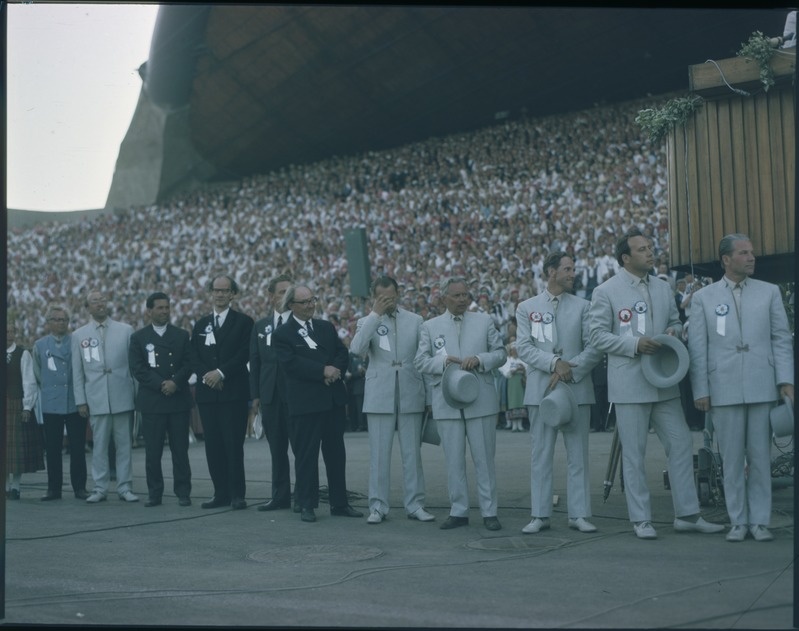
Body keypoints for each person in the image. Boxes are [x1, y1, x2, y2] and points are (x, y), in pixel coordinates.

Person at [587, 228, 723, 539]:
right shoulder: (605, 291)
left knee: (679, 444)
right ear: (626, 257)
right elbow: (596, 336)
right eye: (642, 249)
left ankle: (687, 514)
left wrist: (673, 333)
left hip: (664, 381)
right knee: (634, 452)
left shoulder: (664, 289)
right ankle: (641, 519)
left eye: (651, 247)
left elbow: (675, 322)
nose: (651, 253)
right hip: (630, 383)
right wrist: (635, 345)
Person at [688, 234, 794, 542]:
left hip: (762, 384)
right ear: (726, 260)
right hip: (723, 387)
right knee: (732, 459)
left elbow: (781, 340)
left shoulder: (769, 292)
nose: (751, 257)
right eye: (744, 253)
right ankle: (738, 521)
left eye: (752, 252)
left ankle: (759, 521)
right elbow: (698, 348)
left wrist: (786, 381)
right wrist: (701, 390)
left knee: (761, 457)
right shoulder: (703, 298)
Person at [516, 252, 602, 534]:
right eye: (566, 269)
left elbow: (594, 346)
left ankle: (579, 514)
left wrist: (570, 369)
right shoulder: (527, 307)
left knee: (578, 454)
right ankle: (539, 514)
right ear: (551, 272)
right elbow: (525, 348)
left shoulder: (584, 306)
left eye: (573, 269)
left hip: (576, 388)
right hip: (542, 390)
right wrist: (554, 363)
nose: (572, 274)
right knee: (540, 453)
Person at [415, 277, 506, 531]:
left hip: (481, 399)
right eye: (456, 296)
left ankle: (490, 511)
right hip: (447, 400)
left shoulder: (484, 321)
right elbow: (421, 362)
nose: (462, 300)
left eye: (465, 295)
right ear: (444, 298)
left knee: (484, 459)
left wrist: (479, 358)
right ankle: (459, 510)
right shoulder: (430, 327)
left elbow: (501, 354)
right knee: (453, 459)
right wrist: (442, 363)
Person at [273, 285, 363, 523]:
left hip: (331, 401)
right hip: (305, 403)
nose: (311, 305)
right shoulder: (282, 333)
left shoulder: (325, 327)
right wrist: (322, 370)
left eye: (312, 300)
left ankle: (339, 503)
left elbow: (341, 354)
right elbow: (291, 364)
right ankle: (307, 503)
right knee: (306, 456)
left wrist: (335, 371)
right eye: (305, 302)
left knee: (336, 455)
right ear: (291, 305)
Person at [349, 275, 435, 525]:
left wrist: (429, 396)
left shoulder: (416, 320)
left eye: (391, 296)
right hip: (379, 393)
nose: (387, 301)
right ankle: (377, 506)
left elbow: (424, 360)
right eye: (381, 297)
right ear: (374, 297)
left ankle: (416, 504)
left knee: (412, 454)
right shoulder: (366, 321)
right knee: (379, 454)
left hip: (411, 390)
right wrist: (375, 315)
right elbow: (356, 349)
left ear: (398, 294)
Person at [191, 275, 254, 510]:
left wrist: (221, 372)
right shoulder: (201, 324)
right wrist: (208, 376)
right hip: (208, 395)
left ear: (232, 294)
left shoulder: (244, 322)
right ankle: (220, 492)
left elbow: (243, 353)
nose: (220, 294)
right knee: (213, 446)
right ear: (211, 293)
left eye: (225, 290)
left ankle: (237, 493)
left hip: (233, 393)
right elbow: (193, 355)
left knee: (233, 445)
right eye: (216, 290)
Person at [72, 290, 139, 503]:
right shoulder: (79, 335)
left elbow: (134, 368)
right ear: (87, 307)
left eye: (102, 300)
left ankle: (125, 486)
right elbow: (78, 371)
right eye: (95, 301)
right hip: (96, 398)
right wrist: (80, 400)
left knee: (124, 445)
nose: (100, 304)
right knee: (99, 445)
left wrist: (136, 396)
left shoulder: (125, 330)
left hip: (122, 396)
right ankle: (100, 487)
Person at [129, 292, 195, 507]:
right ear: (149, 311)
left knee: (180, 450)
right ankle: (155, 492)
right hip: (153, 401)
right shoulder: (139, 337)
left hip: (177, 400)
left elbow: (189, 363)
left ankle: (183, 491)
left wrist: (175, 382)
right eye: (159, 308)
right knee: (153, 451)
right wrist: (160, 384)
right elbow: (137, 368)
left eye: (167, 307)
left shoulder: (181, 335)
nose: (164, 311)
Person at [249, 274, 296, 512]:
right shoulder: (260, 326)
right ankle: (280, 496)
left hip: (296, 397)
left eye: (289, 292)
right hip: (269, 397)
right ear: (271, 296)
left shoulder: (300, 323)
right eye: (281, 292)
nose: (285, 296)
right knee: (277, 451)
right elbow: (255, 364)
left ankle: (305, 497)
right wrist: (256, 397)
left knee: (301, 450)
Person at [33, 304, 88, 501]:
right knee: (54, 448)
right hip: (52, 402)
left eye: (64, 320)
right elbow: (38, 373)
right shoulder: (39, 345)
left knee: (77, 446)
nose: (61, 323)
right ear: (48, 323)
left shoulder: (76, 342)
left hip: (74, 400)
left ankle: (80, 487)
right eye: (56, 319)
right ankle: (53, 488)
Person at [6, 320, 44, 499]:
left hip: (16, 404)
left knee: (16, 450)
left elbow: (29, 381)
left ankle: (15, 486)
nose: (8, 335)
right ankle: (5, 486)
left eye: (11, 331)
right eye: (5, 331)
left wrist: (27, 406)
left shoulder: (22, 354)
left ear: (15, 334)